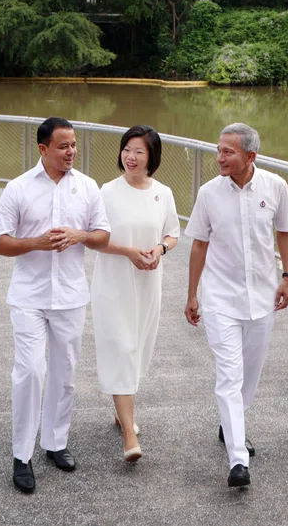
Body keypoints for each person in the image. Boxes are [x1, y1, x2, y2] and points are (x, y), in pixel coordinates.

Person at [0, 117, 111, 494]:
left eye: (73, 145)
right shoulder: (19, 188)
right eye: (63, 146)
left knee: (65, 372)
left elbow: (103, 237)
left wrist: (80, 235)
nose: (71, 151)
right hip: (29, 296)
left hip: (72, 296)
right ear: (43, 149)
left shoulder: (88, 187)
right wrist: (36, 243)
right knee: (29, 371)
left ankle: (55, 443)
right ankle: (21, 455)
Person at [184, 122, 288, 488]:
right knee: (229, 375)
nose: (219, 158)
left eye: (228, 152)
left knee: (250, 373)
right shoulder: (208, 193)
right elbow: (199, 244)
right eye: (219, 150)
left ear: (250, 156)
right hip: (220, 298)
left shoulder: (275, 187)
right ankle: (237, 459)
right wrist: (192, 293)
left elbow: (284, 232)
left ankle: (231, 424)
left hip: (262, 297)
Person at [91, 125, 180, 463]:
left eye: (139, 151)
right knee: (122, 348)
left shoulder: (163, 193)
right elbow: (94, 238)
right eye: (127, 149)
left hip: (147, 284)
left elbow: (173, 233)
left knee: (137, 350)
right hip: (114, 284)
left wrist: (159, 249)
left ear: (151, 157)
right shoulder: (107, 192)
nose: (131, 156)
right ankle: (129, 434)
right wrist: (128, 251)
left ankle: (121, 411)